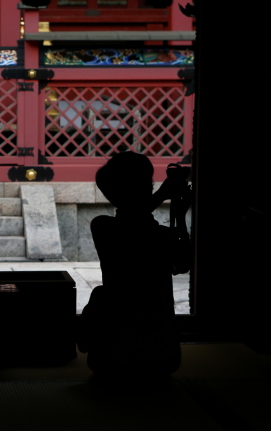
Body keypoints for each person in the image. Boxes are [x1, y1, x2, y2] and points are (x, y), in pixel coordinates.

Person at [77, 152, 193, 380]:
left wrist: (165, 199)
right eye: (148, 183)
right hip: (164, 357)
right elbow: (183, 264)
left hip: (108, 358)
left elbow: (133, 222)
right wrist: (179, 216)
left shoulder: (102, 227)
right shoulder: (160, 236)